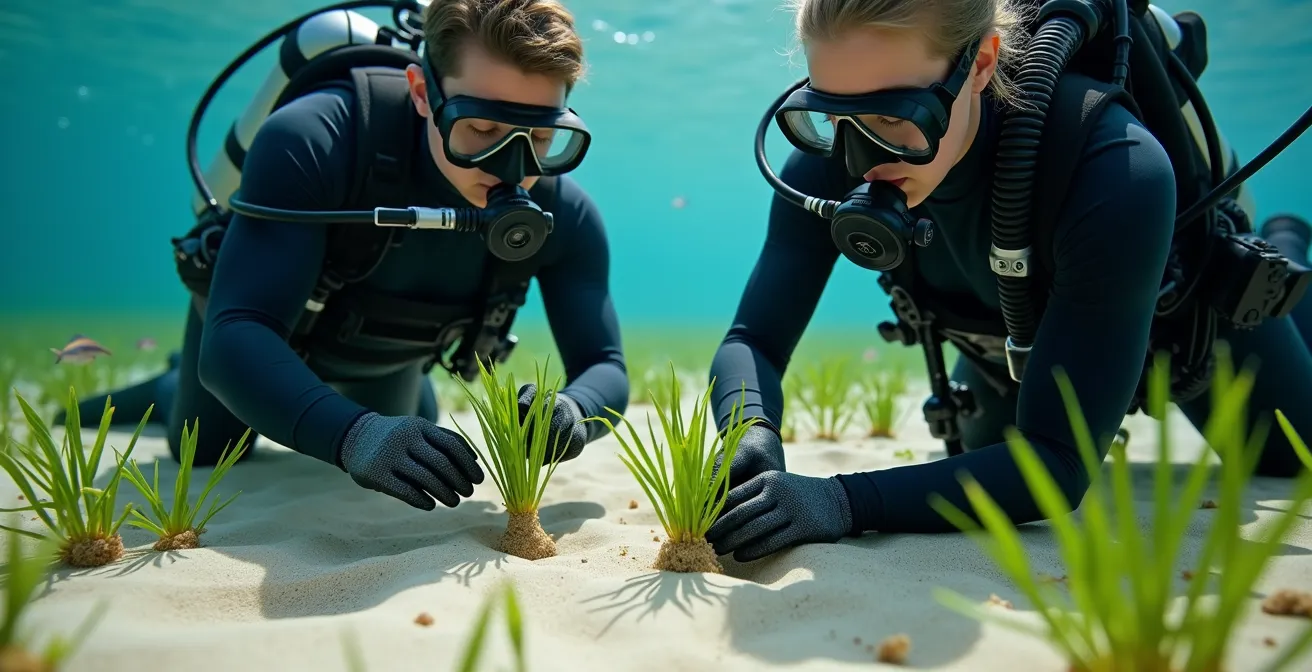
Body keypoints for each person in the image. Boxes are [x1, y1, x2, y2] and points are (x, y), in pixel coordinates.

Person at [704, 0, 1312, 563]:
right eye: (832, 112)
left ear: (981, 63)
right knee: (978, 454)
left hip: (1188, 333)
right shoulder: (829, 156)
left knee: (1291, 460)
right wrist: (748, 429)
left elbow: (1058, 463)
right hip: (1012, 347)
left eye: (895, 114)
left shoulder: (1115, 167)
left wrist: (840, 501)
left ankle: (1288, 240)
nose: (859, 159)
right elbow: (753, 339)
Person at [62, 0, 629, 512]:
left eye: (541, 138)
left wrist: (574, 410)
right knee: (213, 450)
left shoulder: (565, 213)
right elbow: (236, 334)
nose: (511, 164)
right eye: (480, 127)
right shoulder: (314, 137)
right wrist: (356, 436)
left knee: (418, 428)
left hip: (385, 359)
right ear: (422, 93)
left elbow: (604, 364)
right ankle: (167, 385)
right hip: (263, 342)